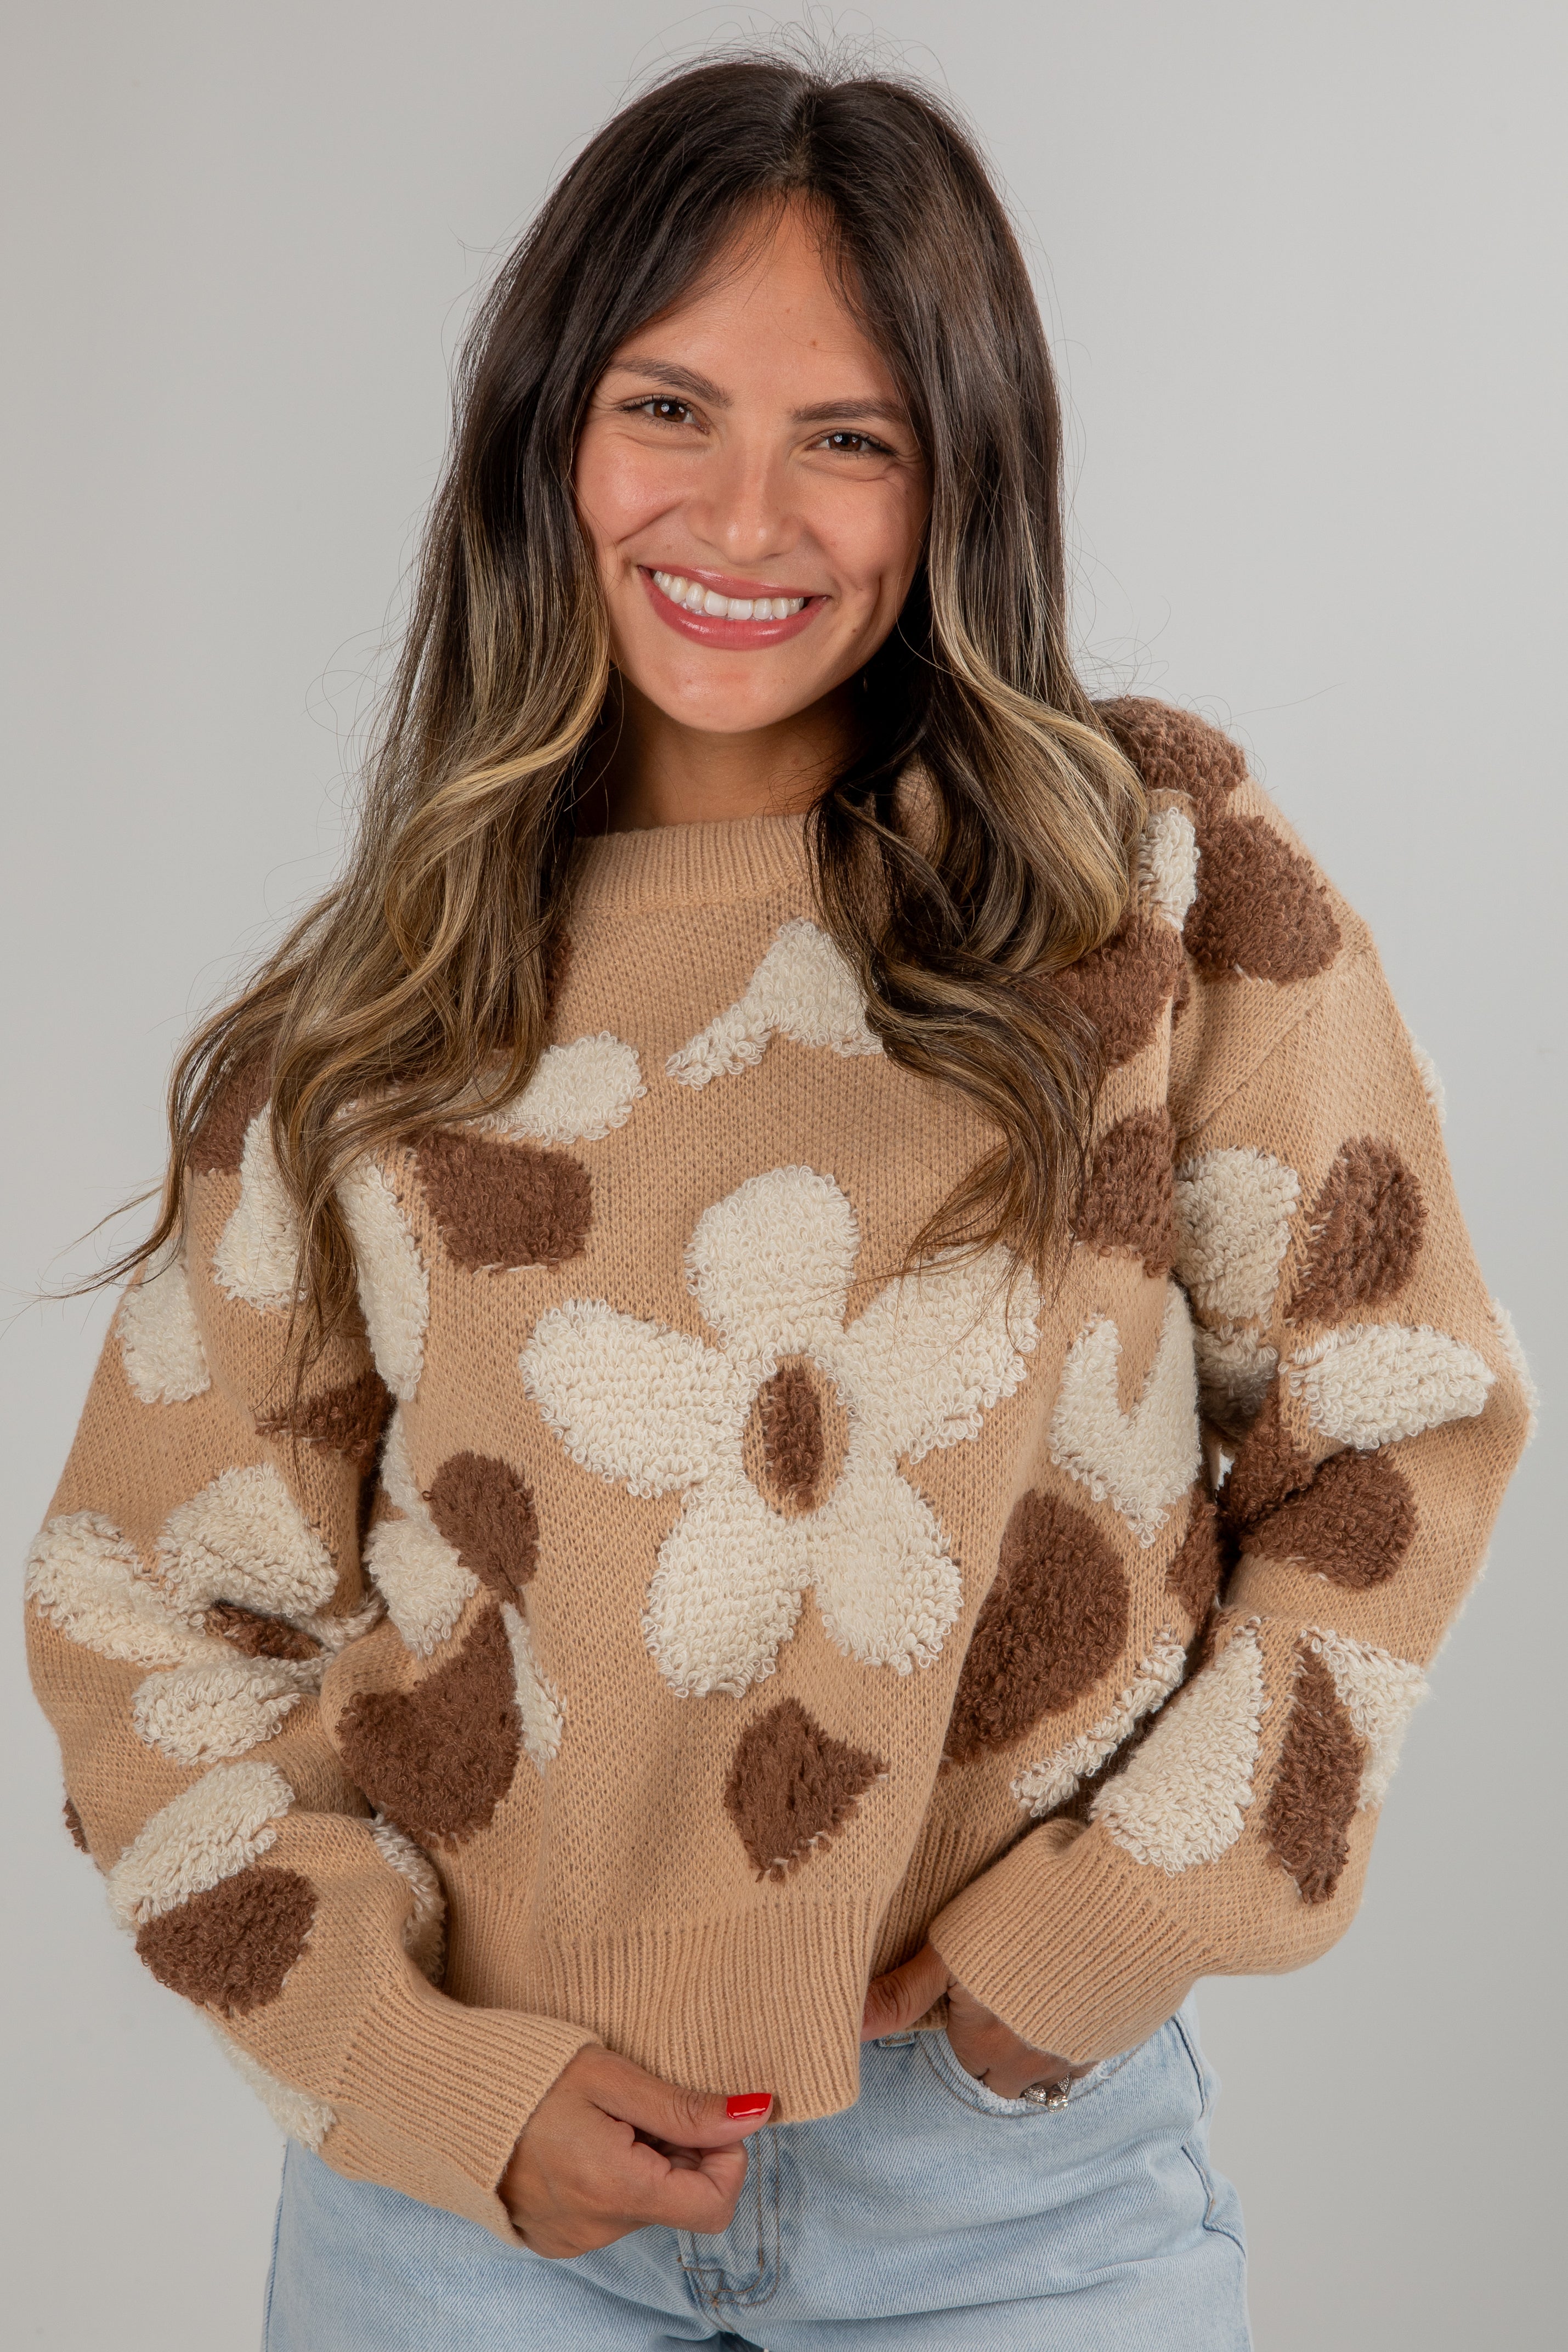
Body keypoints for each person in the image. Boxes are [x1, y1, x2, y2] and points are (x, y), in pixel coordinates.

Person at [25, 54, 1531, 2352]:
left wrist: (1102, 1939)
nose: (747, 513)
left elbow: (1396, 1421)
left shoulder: (1149, 882)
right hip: (469, 2212)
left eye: (851, 434)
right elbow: (147, 1616)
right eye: (669, 407)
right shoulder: (385, 1013)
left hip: (1014, 2190)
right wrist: (420, 2069)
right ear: (549, 430)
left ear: (959, 477)